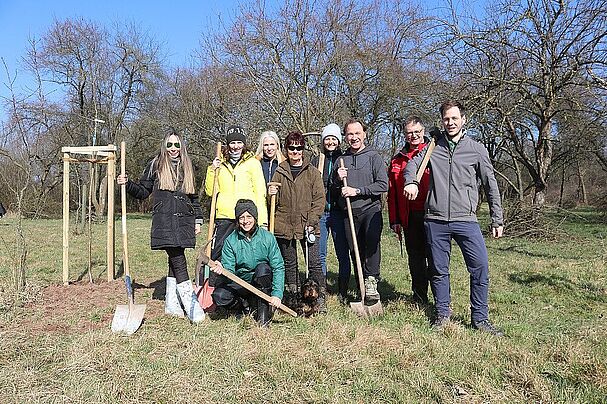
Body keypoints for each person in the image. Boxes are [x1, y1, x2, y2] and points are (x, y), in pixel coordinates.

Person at [403, 100, 505, 336]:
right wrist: (411, 181)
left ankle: (480, 318)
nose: (450, 123)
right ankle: (442, 315)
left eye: (454, 118)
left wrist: (496, 218)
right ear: (442, 121)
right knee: (439, 270)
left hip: (466, 220)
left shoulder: (476, 149)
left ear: (463, 119)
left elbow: (491, 186)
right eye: (446, 119)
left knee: (480, 267)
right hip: (435, 220)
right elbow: (411, 166)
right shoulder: (431, 147)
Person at [117, 128, 205, 323]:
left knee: (175, 260)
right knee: (178, 259)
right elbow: (142, 191)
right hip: (165, 221)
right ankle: (192, 307)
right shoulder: (155, 165)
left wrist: (198, 219)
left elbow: (193, 197)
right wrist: (127, 183)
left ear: (182, 146)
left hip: (184, 221)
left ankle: (172, 304)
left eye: (177, 144)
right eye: (169, 145)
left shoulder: (187, 166)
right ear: (165, 146)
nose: (173, 148)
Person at [268, 131, 326, 312]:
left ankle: (320, 298)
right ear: (286, 149)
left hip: (308, 224)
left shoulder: (312, 173)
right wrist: (269, 195)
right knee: (290, 263)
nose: (295, 151)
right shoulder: (279, 171)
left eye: (299, 148)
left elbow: (319, 200)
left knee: (314, 262)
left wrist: (312, 220)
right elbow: (272, 202)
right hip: (284, 225)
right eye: (292, 148)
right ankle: (293, 298)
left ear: (303, 149)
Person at [334, 118, 388, 304]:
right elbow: (333, 189)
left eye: (357, 133)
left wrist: (357, 191)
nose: (354, 137)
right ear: (345, 136)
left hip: (370, 210)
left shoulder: (374, 157)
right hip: (349, 212)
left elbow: (383, 185)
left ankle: (371, 283)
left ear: (364, 133)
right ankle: (360, 286)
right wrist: (337, 179)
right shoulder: (341, 160)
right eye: (350, 134)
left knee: (371, 247)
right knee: (354, 249)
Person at [209, 199, 285, 327]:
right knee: (220, 296)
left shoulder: (267, 237)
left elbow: (278, 267)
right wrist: (222, 270)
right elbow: (229, 270)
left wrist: (277, 295)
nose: (245, 221)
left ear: (255, 217)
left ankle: (263, 314)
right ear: (237, 220)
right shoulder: (230, 241)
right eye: (241, 217)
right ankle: (242, 307)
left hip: (261, 282)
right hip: (240, 283)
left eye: (249, 216)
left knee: (263, 270)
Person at [204, 125, 268, 270]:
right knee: (218, 251)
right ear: (228, 144)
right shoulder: (220, 163)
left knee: (246, 252)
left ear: (244, 144)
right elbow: (210, 191)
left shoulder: (253, 163)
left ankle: (244, 284)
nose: (235, 146)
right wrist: (212, 169)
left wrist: (262, 220)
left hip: (246, 215)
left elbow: (260, 193)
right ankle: (214, 284)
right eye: (232, 143)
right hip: (224, 215)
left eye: (239, 143)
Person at [387, 116, 431, 304]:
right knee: (415, 258)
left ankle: (441, 297)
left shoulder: (435, 152)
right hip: (409, 215)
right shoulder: (397, 160)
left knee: (435, 257)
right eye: (409, 133)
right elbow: (392, 193)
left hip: (433, 213)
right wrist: (395, 219)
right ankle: (419, 296)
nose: (413, 136)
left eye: (417, 132)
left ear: (423, 132)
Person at [310, 123, 351, 304]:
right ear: (323, 141)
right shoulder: (316, 160)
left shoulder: (344, 159)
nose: (331, 142)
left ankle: (343, 290)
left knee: (343, 253)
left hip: (339, 212)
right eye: (328, 138)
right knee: (320, 254)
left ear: (339, 141)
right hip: (321, 213)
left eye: (334, 138)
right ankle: (321, 288)